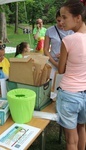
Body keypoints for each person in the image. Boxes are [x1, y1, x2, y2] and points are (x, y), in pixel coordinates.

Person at [56, 0, 86, 150]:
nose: (61, 22)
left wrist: (62, 58)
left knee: (71, 140)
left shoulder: (67, 40)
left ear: (78, 17)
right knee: (82, 128)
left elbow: (61, 70)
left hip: (69, 94)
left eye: (65, 17)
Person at [43, 10, 73, 86]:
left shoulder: (71, 31)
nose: (60, 23)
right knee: (52, 84)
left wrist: (65, 57)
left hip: (67, 63)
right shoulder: (50, 30)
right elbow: (46, 50)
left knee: (64, 84)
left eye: (62, 20)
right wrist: (55, 63)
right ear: (56, 19)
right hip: (53, 61)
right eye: (58, 20)